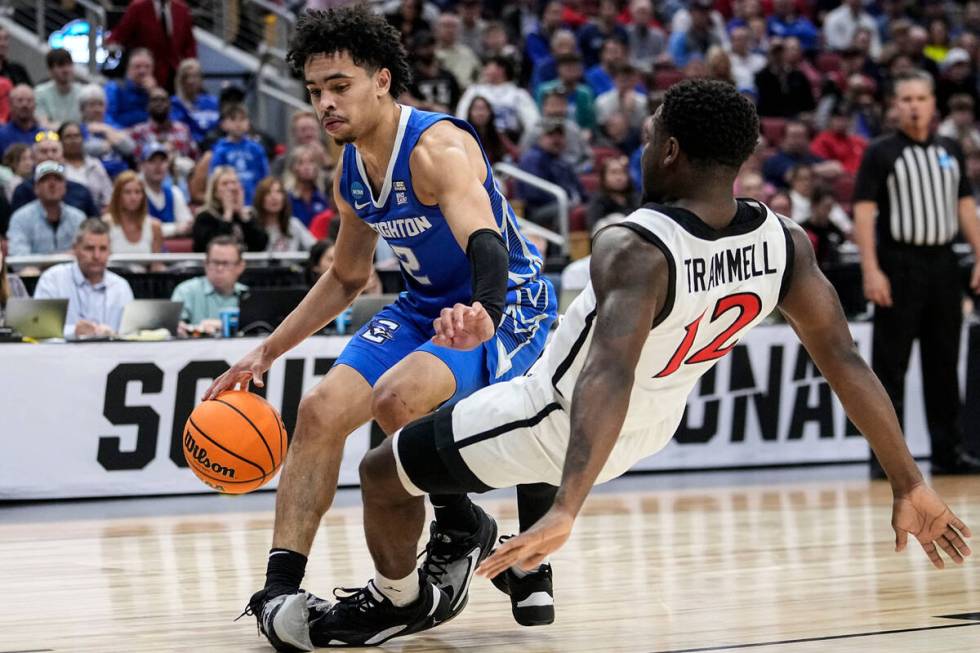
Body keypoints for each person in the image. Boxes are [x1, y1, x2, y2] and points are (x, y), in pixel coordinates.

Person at [304, 79, 973, 648]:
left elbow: (606, 373)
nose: (644, 148)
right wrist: (908, 480)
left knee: (382, 473)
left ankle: (399, 600)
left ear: (672, 152)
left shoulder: (634, 242)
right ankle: (483, 544)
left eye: (651, 139)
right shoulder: (783, 241)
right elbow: (846, 363)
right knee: (441, 414)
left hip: (556, 416)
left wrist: (566, 507)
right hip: (652, 425)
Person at [202, 8, 557, 650]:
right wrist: (266, 352)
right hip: (425, 304)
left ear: (383, 80)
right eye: (315, 91)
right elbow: (344, 279)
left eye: (339, 85)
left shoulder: (437, 148)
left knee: (397, 398)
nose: (325, 103)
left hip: (505, 305)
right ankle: (281, 586)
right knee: (318, 410)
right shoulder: (351, 171)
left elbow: (487, 241)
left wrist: (483, 312)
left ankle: (455, 526)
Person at [853, 70, 980, 476]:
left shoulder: (950, 149)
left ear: (932, 104)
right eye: (905, 99)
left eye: (920, 98)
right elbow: (863, 213)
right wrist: (871, 269)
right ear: (894, 106)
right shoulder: (881, 152)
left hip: (943, 264)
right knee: (890, 366)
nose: (913, 105)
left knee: (943, 364)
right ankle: (887, 460)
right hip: (898, 264)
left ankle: (948, 452)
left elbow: (964, 207)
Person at [33, 218, 134, 338]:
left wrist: (113, 335)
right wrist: (73, 331)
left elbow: (131, 334)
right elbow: (38, 327)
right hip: (62, 354)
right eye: (90, 248)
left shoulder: (121, 286)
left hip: (111, 354)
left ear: (109, 252)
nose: (96, 256)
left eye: (103, 249)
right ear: (75, 249)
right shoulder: (52, 280)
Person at [106, 0, 196, 91]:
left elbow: (189, 44)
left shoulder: (182, 9)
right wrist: (112, 46)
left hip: (175, 74)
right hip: (145, 74)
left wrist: (191, 66)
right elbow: (120, 34)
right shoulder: (138, 7)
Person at [10, 132, 99, 218]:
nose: (50, 155)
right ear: (34, 158)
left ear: (63, 156)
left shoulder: (80, 190)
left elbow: (94, 223)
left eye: (54, 151)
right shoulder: (22, 191)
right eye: (44, 151)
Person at [171, 235, 247, 336]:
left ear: (240, 267)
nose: (220, 268)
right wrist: (191, 329)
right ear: (205, 264)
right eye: (215, 262)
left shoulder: (248, 295)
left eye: (226, 263)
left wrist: (223, 325)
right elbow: (174, 326)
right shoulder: (185, 291)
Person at [517, 118, 586, 229]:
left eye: (560, 135)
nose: (556, 140)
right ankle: (559, 247)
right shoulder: (532, 158)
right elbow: (533, 194)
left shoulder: (563, 160)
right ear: (540, 138)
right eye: (551, 135)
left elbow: (580, 190)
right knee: (566, 210)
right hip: (537, 211)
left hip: (564, 204)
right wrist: (565, 201)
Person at [6, 161, 86, 256]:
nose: (52, 184)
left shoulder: (79, 218)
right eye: (45, 179)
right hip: (35, 271)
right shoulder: (20, 218)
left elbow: (84, 254)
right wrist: (61, 257)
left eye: (57, 179)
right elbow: (18, 256)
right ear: (36, 188)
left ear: (65, 187)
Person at [191, 166, 268, 253]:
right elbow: (213, 247)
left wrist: (243, 215)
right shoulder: (204, 216)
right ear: (215, 192)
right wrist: (228, 214)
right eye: (225, 184)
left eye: (234, 183)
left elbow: (261, 245)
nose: (232, 188)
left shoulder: (250, 214)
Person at [208, 104, 269, 205]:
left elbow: (264, 176)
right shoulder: (220, 150)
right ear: (223, 124)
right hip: (228, 203)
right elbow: (214, 178)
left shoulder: (256, 149)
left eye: (242, 119)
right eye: (233, 119)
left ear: (248, 123)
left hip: (255, 202)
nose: (238, 123)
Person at [104, 170, 163, 270]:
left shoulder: (154, 226)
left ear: (143, 196)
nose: (133, 197)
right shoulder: (106, 224)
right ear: (118, 196)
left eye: (137, 192)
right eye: (127, 192)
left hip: (144, 282)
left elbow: (156, 266)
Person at [79, 84, 136, 179]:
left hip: (122, 176)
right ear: (82, 109)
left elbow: (130, 148)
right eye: (92, 105)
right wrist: (113, 142)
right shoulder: (79, 130)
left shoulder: (112, 127)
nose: (97, 109)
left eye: (100, 104)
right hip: (94, 176)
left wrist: (106, 130)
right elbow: (87, 150)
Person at [130, 87, 197, 164]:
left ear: (170, 106)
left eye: (163, 100)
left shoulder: (183, 130)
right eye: (155, 100)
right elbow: (135, 163)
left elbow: (194, 158)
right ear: (147, 106)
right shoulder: (138, 132)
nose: (159, 103)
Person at [140, 143, 192, 237]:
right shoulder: (136, 194)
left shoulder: (175, 192)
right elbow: (140, 229)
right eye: (152, 161)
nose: (158, 166)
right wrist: (175, 229)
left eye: (162, 161)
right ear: (142, 165)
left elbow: (187, 225)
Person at [59, 121, 112, 212]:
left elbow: (108, 197)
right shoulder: (57, 167)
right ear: (60, 141)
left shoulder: (95, 164)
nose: (73, 140)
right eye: (68, 137)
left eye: (77, 136)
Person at [255, 176, 316, 253]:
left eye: (278, 192)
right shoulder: (253, 226)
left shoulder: (294, 224)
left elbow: (315, 248)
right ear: (260, 198)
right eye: (268, 193)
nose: (274, 197)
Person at [170, 58, 220, 145]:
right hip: (190, 149)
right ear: (180, 80)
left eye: (195, 76)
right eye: (186, 77)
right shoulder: (175, 104)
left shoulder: (213, 102)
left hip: (215, 149)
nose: (190, 81)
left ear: (201, 79)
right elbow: (179, 133)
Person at [585, 155, 640, 231]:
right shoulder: (598, 201)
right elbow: (594, 228)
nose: (619, 177)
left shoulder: (635, 198)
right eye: (613, 172)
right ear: (603, 177)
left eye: (622, 172)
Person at [105, 49, 156, 129]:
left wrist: (154, 94)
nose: (142, 71)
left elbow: (163, 121)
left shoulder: (155, 92)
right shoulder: (115, 88)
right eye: (137, 67)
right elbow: (107, 118)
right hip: (122, 135)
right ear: (128, 69)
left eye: (147, 67)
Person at [465, 96, 519, 165]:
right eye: (476, 109)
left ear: (490, 112)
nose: (480, 113)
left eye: (483, 109)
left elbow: (515, 154)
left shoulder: (497, 135)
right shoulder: (464, 135)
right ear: (470, 112)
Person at [34, 48, 82, 126]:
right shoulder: (39, 93)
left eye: (69, 64)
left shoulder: (83, 92)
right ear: (50, 71)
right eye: (61, 66)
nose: (66, 70)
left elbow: (89, 125)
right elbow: (43, 125)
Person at [285, 145, 329, 227]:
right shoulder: (287, 198)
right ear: (293, 168)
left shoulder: (323, 196)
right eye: (301, 163)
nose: (307, 167)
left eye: (311, 162)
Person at [0, 86, 42, 156]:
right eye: (19, 100)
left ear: (35, 105)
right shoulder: (1, 136)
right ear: (10, 105)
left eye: (29, 100)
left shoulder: (45, 133)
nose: (24, 105)